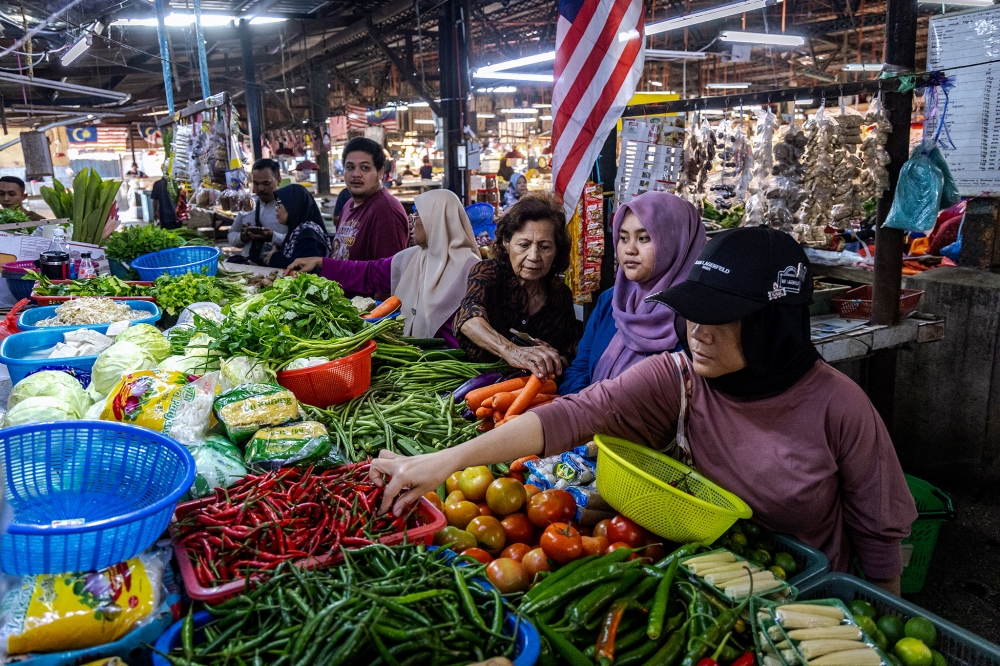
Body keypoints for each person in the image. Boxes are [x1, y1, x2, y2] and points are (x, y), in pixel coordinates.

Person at [370, 227, 918, 594]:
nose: (696, 333)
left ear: (773, 324)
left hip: (806, 590)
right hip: (702, 583)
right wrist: (438, 463)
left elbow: (880, 533)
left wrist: (874, 614)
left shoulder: (840, 407)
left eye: (719, 318)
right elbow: (570, 416)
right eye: (691, 314)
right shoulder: (677, 378)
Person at [285, 189, 480, 345]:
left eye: (417, 216)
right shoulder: (412, 258)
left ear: (435, 221)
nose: (412, 222)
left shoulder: (472, 268)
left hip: (455, 365)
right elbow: (369, 273)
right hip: (413, 360)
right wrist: (320, 262)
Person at [560, 192, 706, 395]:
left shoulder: (697, 316)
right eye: (623, 238)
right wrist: (585, 415)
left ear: (676, 242)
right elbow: (580, 368)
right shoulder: (611, 300)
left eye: (644, 238)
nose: (629, 250)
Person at [454, 195, 577, 378]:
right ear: (506, 244)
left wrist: (554, 358)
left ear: (556, 251)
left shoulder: (560, 294)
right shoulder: (488, 273)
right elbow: (468, 319)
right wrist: (510, 350)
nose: (534, 256)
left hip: (534, 394)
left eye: (544, 247)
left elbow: (569, 353)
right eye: (524, 245)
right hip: (476, 386)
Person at [332, 137, 409, 261]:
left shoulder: (385, 211)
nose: (356, 174)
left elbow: (387, 273)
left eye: (365, 168)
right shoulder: (348, 205)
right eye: (350, 167)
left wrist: (325, 264)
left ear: (380, 172)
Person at [228, 158, 287, 263]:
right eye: (256, 183)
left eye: (266, 183)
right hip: (249, 266)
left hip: (277, 269)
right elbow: (231, 235)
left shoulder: (288, 207)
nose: (260, 188)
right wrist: (242, 237)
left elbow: (298, 240)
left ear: (278, 180)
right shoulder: (248, 205)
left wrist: (273, 236)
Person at [261, 184, 330, 269]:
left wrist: (274, 258)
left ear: (294, 205)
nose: (276, 208)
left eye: (280, 203)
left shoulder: (308, 235)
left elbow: (304, 269)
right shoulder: (296, 230)